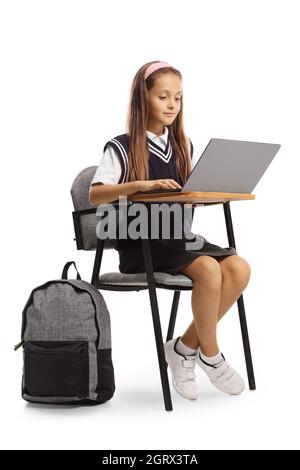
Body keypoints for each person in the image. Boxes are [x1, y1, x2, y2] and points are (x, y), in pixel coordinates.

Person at [89, 60, 251, 400]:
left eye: (178, 98)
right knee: (208, 268)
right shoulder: (119, 147)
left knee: (238, 267)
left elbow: (184, 198)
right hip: (142, 244)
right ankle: (212, 355)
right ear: (143, 99)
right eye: (163, 97)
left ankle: (183, 348)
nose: (172, 105)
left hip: (179, 238)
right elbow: (95, 193)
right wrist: (141, 185)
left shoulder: (183, 145)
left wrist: (206, 192)